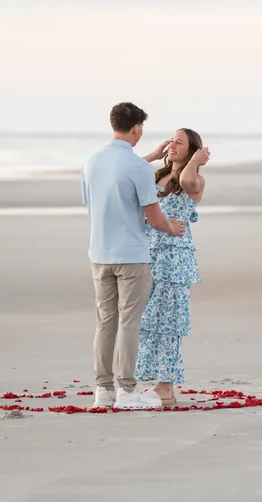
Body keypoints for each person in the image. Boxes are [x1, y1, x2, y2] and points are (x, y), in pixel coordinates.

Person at [81, 102, 186, 410]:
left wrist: (152, 157)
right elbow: (154, 219)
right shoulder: (138, 168)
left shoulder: (91, 161)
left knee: (105, 322)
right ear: (138, 127)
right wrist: (172, 228)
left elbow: (113, 182)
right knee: (129, 322)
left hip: (99, 253)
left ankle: (104, 390)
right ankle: (127, 390)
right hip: (131, 256)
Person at [135, 128, 209, 405]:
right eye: (172, 141)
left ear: (192, 151)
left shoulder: (194, 178)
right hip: (150, 252)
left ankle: (165, 386)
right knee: (150, 320)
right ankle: (161, 384)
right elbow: (129, 172)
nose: (173, 145)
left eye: (180, 143)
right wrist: (154, 156)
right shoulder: (157, 174)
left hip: (174, 259)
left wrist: (194, 161)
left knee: (169, 322)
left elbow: (189, 180)